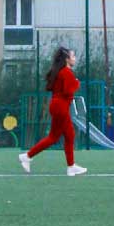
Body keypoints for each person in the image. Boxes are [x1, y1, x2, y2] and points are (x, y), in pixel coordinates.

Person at [21, 46, 86, 176]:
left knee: (63, 136)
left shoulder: (60, 71)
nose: (75, 59)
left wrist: (73, 82)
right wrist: (76, 83)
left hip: (57, 106)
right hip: (60, 107)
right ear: (67, 59)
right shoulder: (66, 72)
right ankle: (28, 156)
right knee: (61, 136)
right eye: (73, 56)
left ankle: (70, 166)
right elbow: (69, 91)